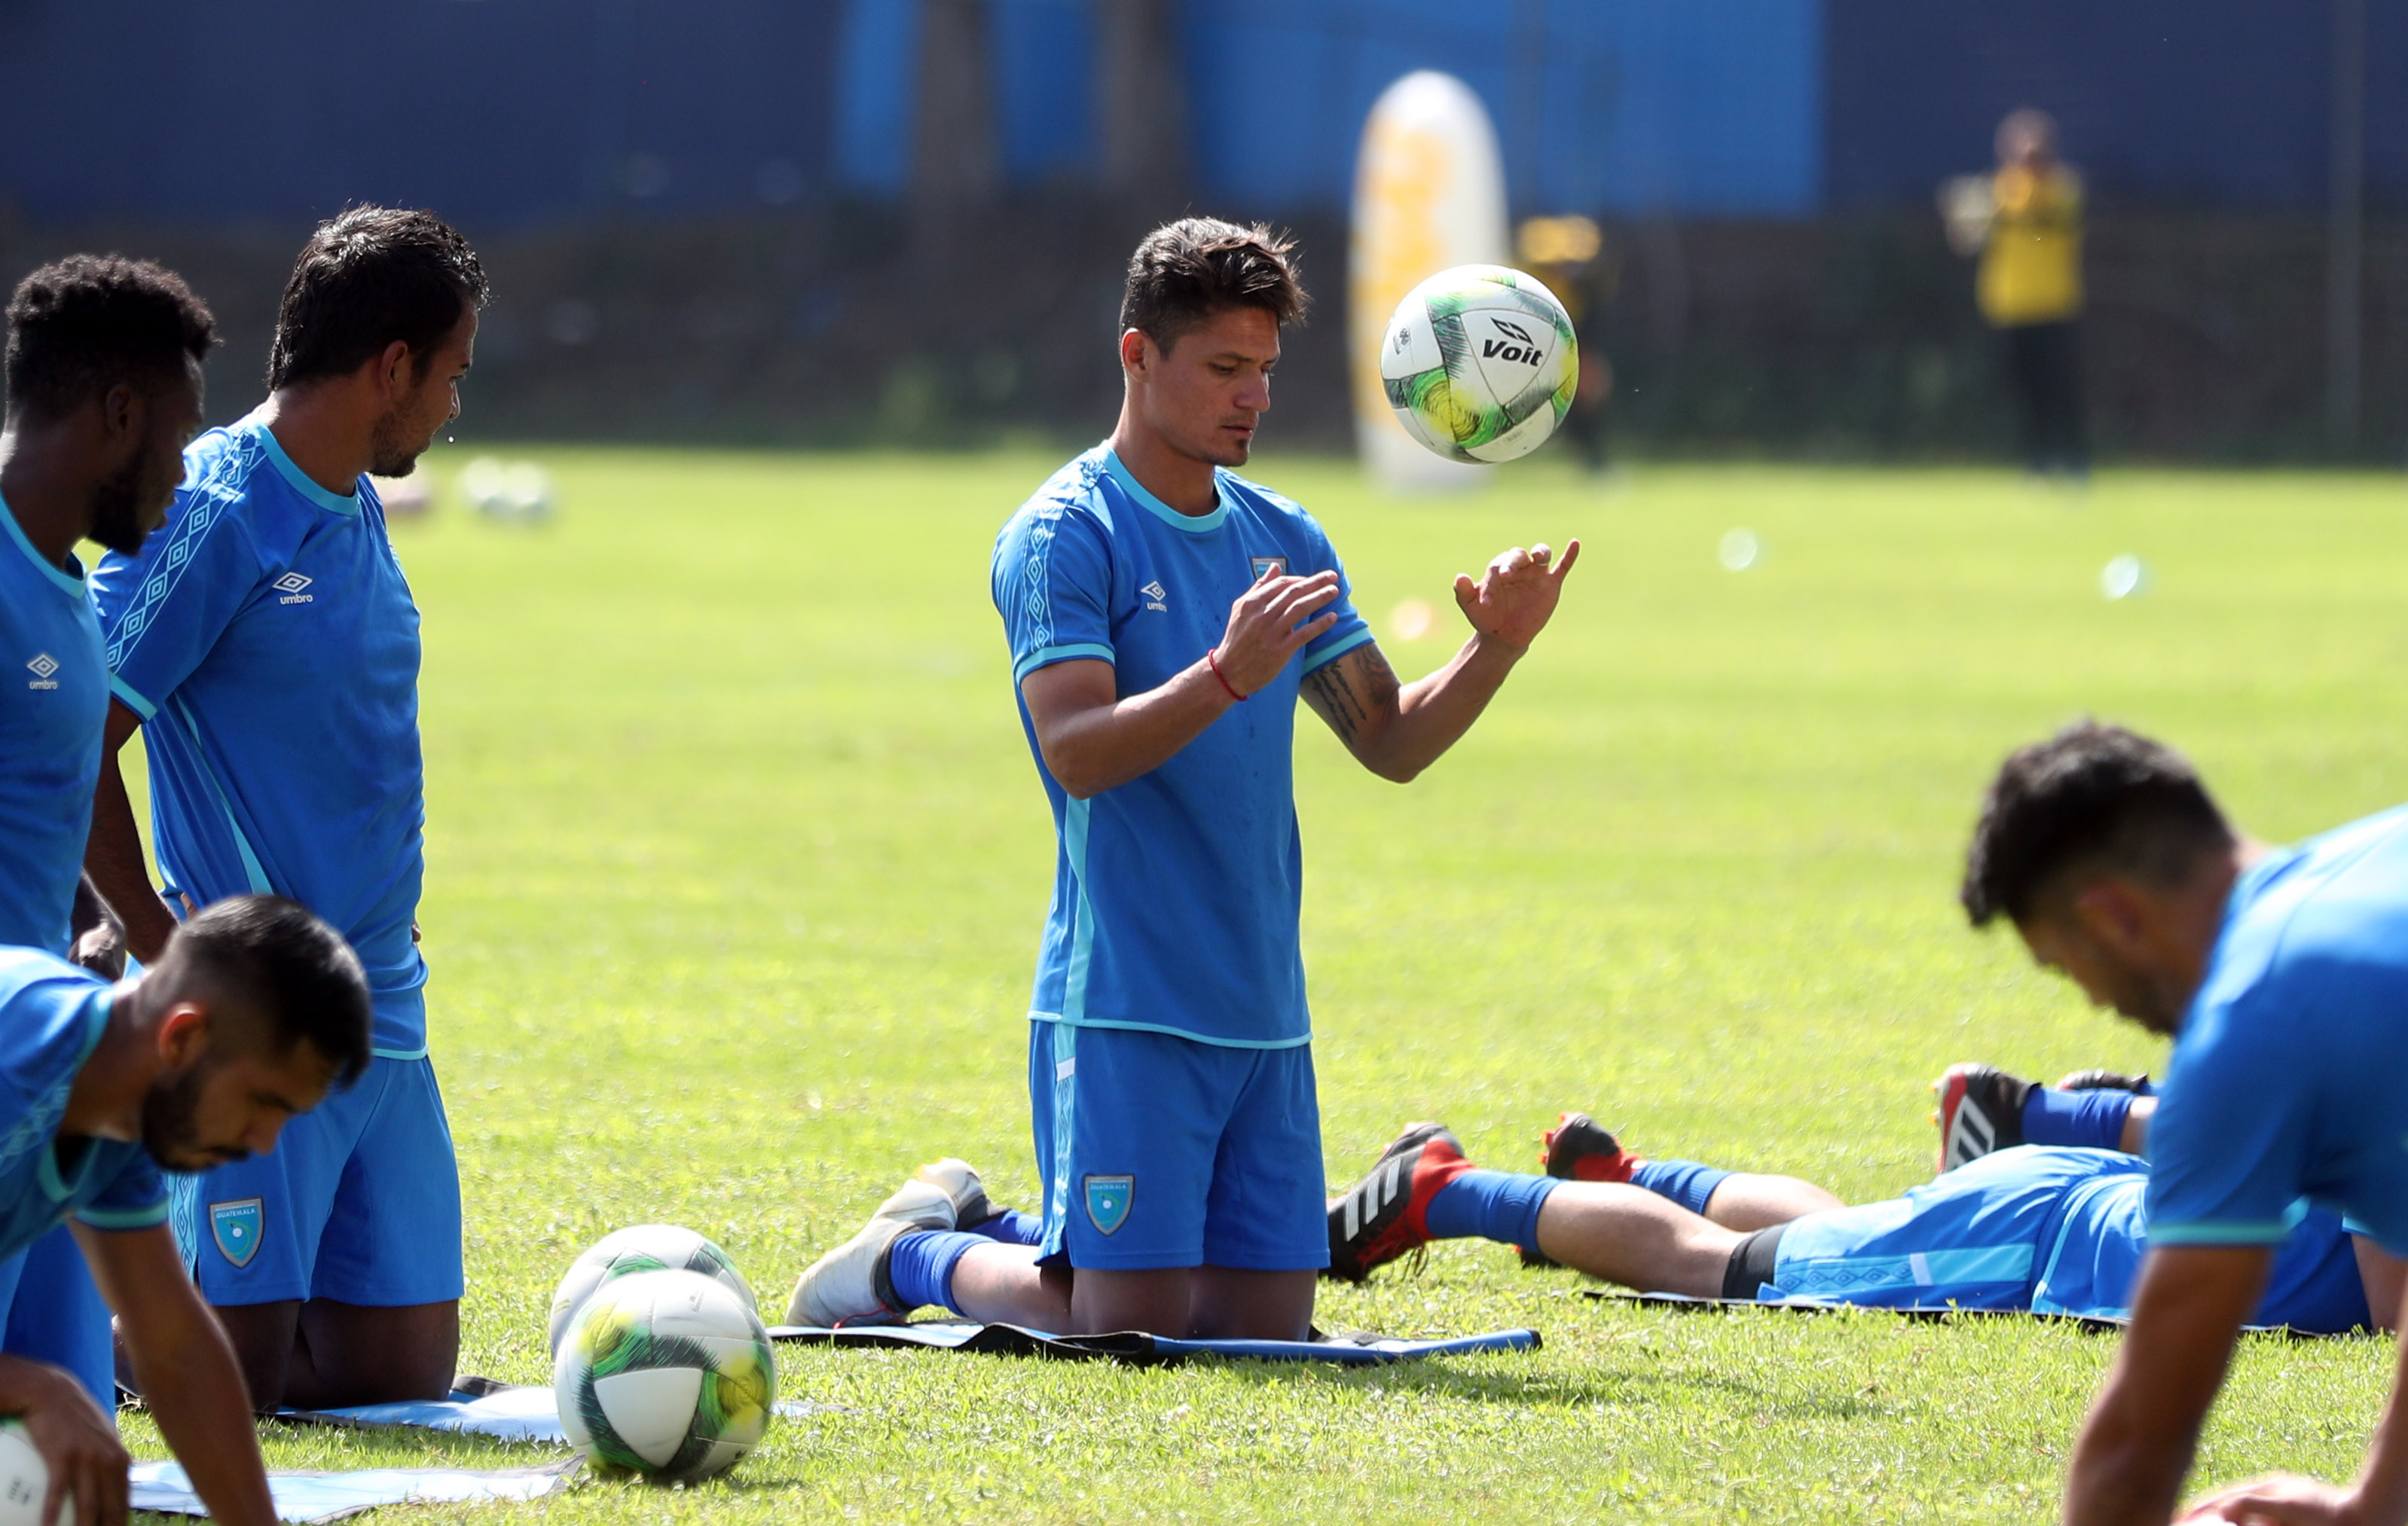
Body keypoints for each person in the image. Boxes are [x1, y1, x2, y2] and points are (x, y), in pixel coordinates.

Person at [786, 217, 1578, 1340]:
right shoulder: (1067, 533)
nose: (1251, 396)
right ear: (1137, 357)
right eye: (1222, 369)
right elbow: (1077, 750)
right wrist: (1223, 672)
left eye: (1263, 370)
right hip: (1124, 1001)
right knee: (1122, 1325)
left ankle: (1006, 1227)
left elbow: (1391, 739)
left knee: (1257, 1326)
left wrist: (1497, 645)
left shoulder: (1287, 536)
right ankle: (914, 1255)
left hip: (1262, 1008)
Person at [81, 207, 487, 1409]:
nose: (457, 405)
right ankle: (53, 1318)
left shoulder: (354, 499)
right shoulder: (209, 511)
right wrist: (169, 952)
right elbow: (66, 742)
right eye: (453, 373)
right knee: (238, 1377)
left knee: (401, 1370)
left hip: (386, 1004)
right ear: (393, 366)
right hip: (257, 1016)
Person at [1961, 722, 2408, 1523]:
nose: (2095, 1001)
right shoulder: (2379, 855)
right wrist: (2382, 1499)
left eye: (2068, 968)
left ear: (2110, 919)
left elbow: (2139, 1443)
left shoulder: (2252, 1022)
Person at [0, 255, 214, 1415]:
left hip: (54, 1089)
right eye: (177, 438)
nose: (181, 476)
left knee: (72, 1452)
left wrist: (112, 933)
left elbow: (52, 790)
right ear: (117, 414)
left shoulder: (73, 589)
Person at [1317, 1110, 2371, 1335]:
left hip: (2076, 1195)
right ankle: (1441, 1192)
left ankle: (1629, 1173)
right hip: (2049, 1229)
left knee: (1850, 1231)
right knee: (1730, 1270)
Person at [0, 893, 374, 1526]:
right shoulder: (15, 1053)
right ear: (183, 1036)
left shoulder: (120, 1106)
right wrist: (30, 1386)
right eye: (263, 1102)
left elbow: (173, 1344)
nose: (262, 1142)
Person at [1942, 108, 2086, 477]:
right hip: (2011, 306)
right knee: (2026, 392)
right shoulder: (1998, 191)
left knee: (2062, 389)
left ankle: (2073, 459)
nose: (2030, 164)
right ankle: (2036, 461)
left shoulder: (2062, 191)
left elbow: (2047, 215)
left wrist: (1998, 208)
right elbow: (1965, 238)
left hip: (2054, 304)